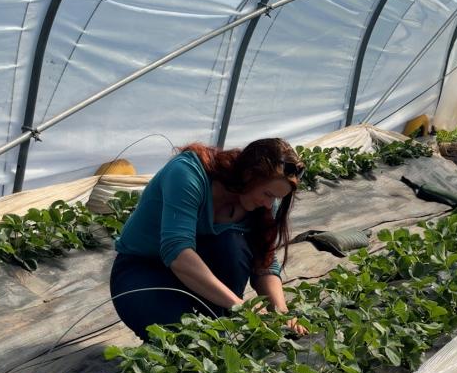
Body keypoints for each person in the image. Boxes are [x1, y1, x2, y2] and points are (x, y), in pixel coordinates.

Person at [110, 137, 308, 341]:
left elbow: (264, 263)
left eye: (275, 198)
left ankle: (218, 326)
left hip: (198, 273)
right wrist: (240, 306)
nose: (269, 204)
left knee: (233, 247)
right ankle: (195, 332)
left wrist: (281, 313)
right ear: (249, 174)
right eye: (267, 194)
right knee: (184, 341)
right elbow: (177, 252)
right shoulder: (188, 173)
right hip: (144, 269)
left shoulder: (261, 205)